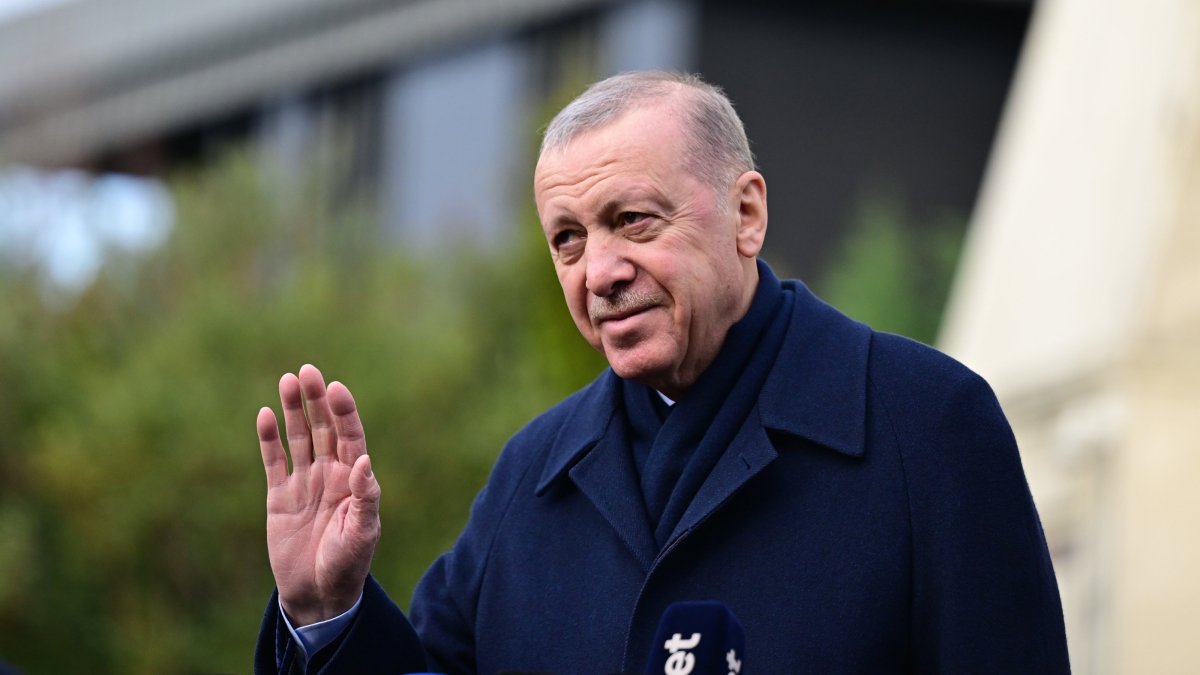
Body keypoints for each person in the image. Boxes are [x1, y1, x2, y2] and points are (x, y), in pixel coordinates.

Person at [254, 71, 1070, 673]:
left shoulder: (924, 427)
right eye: (567, 239)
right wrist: (329, 611)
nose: (598, 270)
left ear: (746, 214)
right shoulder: (532, 476)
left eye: (631, 220)